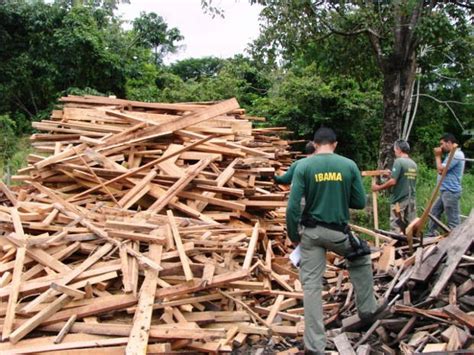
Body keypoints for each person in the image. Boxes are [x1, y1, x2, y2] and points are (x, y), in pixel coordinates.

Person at [286, 127, 382, 354]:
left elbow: (292, 208)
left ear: (314, 143)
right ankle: (368, 311)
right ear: (335, 144)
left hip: (310, 235)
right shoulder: (348, 165)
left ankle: (315, 346)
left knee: (311, 286)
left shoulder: (304, 165)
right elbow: (359, 202)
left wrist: (294, 237)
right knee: (360, 257)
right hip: (339, 233)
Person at [372, 140, 417, 233]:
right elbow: (404, 177)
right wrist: (391, 175)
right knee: (411, 226)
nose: (395, 152)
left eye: (395, 150)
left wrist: (378, 188)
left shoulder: (399, 161)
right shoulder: (413, 164)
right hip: (411, 199)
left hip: (399, 200)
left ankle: (395, 246)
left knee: (396, 226)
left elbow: (393, 182)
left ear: (399, 149)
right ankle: (412, 245)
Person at [427, 133, 465, 236]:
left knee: (453, 219)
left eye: (442, 144)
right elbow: (442, 170)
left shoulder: (456, 155)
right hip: (445, 191)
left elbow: (440, 169)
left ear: (449, 142)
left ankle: (457, 241)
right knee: (434, 212)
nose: (441, 147)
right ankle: (430, 235)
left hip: (451, 191)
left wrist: (437, 156)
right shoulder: (451, 154)